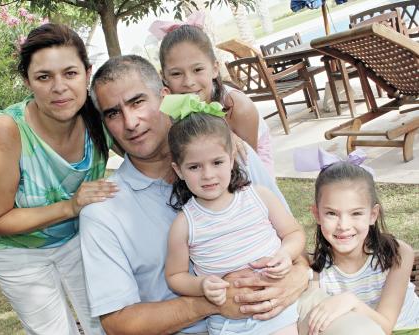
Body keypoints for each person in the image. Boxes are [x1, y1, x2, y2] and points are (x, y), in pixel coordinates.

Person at [83, 55, 384, 335]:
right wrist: (210, 303)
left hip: (289, 303)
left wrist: (298, 276)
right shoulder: (104, 211)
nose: (130, 122)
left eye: (138, 102)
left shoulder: (234, 156)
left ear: (163, 97)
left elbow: (289, 237)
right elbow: (118, 323)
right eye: (113, 113)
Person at [0, 23, 117, 335]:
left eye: (70, 73)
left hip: (76, 236)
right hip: (15, 247)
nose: (59, 87)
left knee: (105, 323)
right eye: (44, 77)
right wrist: (70, 206)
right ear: (28, 82)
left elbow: (149, 145)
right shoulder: (6, 131)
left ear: (87, 74)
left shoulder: (101, 115)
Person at [163, 94, 305, 335]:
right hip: (230, 325)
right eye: (195, 167)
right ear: (179, 170)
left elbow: (294, 233)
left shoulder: (258, 197)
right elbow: (175, 276)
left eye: (217, 162)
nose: (208, 175)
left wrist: (285, 253)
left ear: (231, 160)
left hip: (279, 311)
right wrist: (202, 285)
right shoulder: (185, 224)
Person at [303, 149, 419, 335]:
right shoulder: (316, 269)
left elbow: (386, 326)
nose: (343, 225)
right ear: (317, 214)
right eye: (331, 213)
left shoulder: (397, 253)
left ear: (373, 215)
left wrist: (351, 302)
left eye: (356, 213)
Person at [157, 23, 275, 177]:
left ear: (214, 68)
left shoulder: (237, 106)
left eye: (198, 69)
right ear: (164, 77)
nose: (189, 82)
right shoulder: (169, 106)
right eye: (176, 74)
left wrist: (223, 137)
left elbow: (249, 166)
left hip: (247, 167)